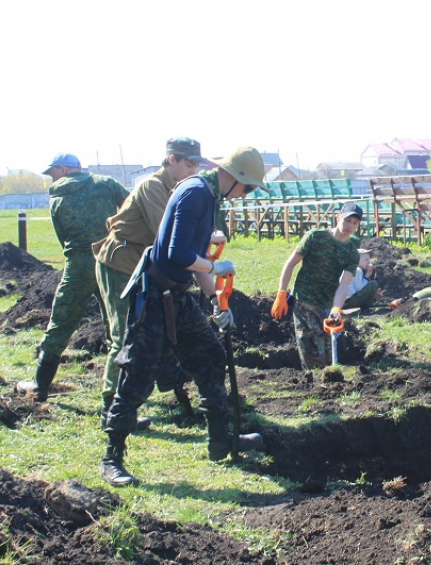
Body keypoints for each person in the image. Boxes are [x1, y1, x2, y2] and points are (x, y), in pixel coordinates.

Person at [100, 147, 266, 487]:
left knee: (210, 357)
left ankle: (220, 442)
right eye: (247, 189)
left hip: (177, 295)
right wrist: (215, 267)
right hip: (153, 298)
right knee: (138, 376)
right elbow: (177, 253)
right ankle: (111, 458)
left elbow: (196, 258)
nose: (244, 195)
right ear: (234, 178)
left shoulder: (209, 196)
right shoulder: (194, 193)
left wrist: (217, 302)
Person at [92, 138, 209, 427]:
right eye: (189, 163)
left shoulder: (177, 189)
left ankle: (155, 384)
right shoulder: (152, 187)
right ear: (171, 159)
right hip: (120, 263)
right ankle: (111, 409)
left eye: (196, 164)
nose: (193, 169)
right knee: (124, 335)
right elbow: (167, 234)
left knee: (151, 332)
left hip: (144, 266)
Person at [16, 154, 129, 402]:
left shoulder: (56, 200)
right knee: (118, 326)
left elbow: (62, 239)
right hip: (112, 259)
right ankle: (119, 392)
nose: (51, 179)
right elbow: (132, 208)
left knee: (61, 321)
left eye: (52, 173)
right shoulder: (107, 183)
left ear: (64, 170)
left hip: (78, 264)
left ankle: (39, 384)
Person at [271, 202, 362, 370]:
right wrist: (281, 293)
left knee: (328, 355)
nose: (350, 226)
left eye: (355, 223)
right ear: (338, 217)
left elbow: (344, 285)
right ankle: (314, 389)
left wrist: (336, 309)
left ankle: (326, 388)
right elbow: (290, 264)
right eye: (347, 220)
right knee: (313, 355)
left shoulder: (351, 252)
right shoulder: (315, 237)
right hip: (304, 300)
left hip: (327, 305)